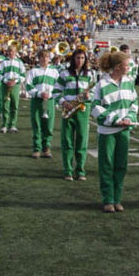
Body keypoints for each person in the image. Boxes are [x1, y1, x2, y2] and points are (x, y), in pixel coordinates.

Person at [91, 51, 138, 213]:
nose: (129, 68)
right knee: (107, 165)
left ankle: (117, 199)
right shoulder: (101, 85)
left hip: (124, 131)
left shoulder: (129, 82)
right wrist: (114, 120)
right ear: (118, 67)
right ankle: (108, 199)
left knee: (121, 165)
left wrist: (130, 117)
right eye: (127, 65)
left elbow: (134, 104)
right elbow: (95, 108)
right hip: (107, 132)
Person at [54, 48, 94, 181]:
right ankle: (68, 171)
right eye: (78, 58)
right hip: (68, 109)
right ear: (73, 59)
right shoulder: (64, 73)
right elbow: (56, 91)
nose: (80, 61)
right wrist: (63, 102)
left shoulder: (90, 74)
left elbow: (96, 93)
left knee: (82, 140)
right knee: (67, 141)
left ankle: (80, 171)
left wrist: (89, 96)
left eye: (82, 58)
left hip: (83, 110)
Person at [26, 49, 60, 159]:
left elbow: (58, 87)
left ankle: (47, 148)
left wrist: (50, 95)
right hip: (37, 101)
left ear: (49, 58)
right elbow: (28, 86)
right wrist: (39, 94)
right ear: (39, 58)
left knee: (49, 126)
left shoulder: (54, 72)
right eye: (42, 57)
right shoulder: (33, 71)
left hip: (49, 101)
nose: (44, 59)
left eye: (46, 57)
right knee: (37, 125)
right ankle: (36, 148)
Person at [0, 43, 26, 133]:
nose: (11, 53)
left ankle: (13, 125)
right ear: (7, 52)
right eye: (10, 51)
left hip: (15, 85)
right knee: (5, 105)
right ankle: (4, 125)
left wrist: (16, 81)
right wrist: (6, 81)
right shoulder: (3, 62)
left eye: (13, 51)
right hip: (5, 85)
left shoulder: (19, 62)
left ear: (16, 52)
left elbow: (23, 75)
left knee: (14, 105)